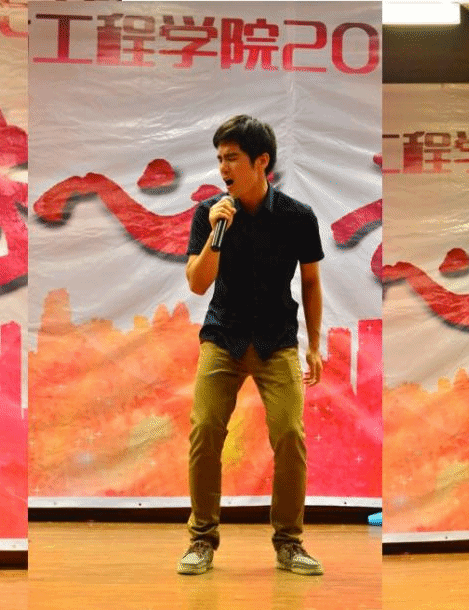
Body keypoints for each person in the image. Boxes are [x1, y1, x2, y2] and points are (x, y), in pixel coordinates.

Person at [178, 115, 325, 576]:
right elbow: (197, 283)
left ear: (262, 161)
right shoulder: (210, 213)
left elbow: (312, 282)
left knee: (290, 434)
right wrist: (216, 234)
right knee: (205, 430)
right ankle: (201, 539)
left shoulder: (298, 216)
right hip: (223, 335)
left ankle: (289, 542)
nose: (223, 167)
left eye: (232, 158)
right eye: (219, 158)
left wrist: (313, 345)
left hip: (276, 340)